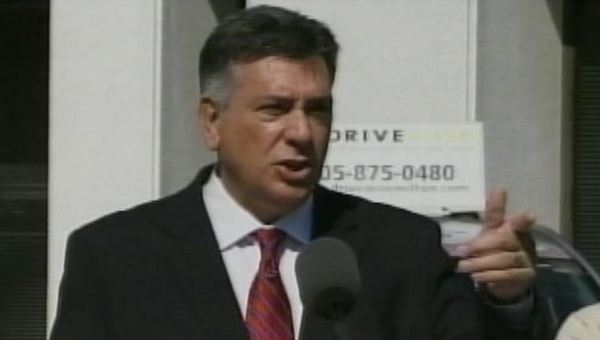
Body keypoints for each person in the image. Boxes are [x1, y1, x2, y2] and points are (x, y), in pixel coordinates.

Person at [51, 5, 536, 340]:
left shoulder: (402, 247)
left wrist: (508, 303)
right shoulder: (115, 256)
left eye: (318, 110)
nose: (303, 132)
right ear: (212, 121)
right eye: (275, 109)